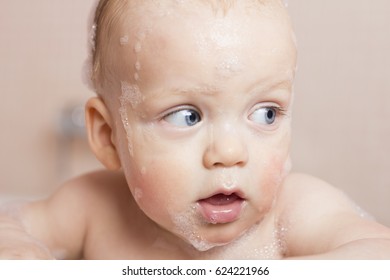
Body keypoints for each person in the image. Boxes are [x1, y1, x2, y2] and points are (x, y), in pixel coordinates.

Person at [1, 0, 390, 260]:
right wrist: (21, 252)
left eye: (266, 114)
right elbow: (10, 224)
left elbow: (377, 250)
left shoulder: (294, 211)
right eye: (187, 116)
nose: (230, 151)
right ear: (108, 136)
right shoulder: (93, 207)